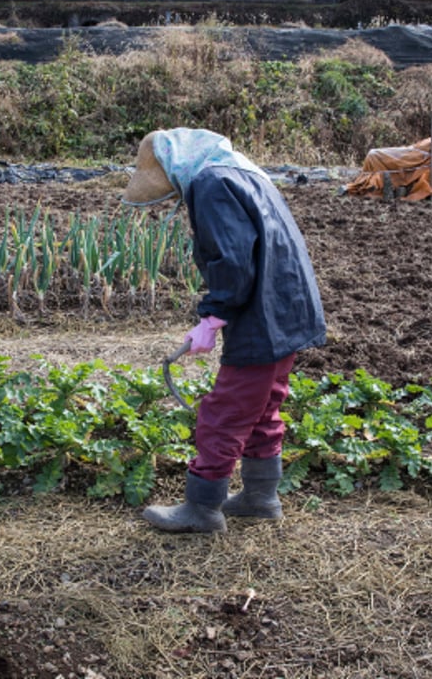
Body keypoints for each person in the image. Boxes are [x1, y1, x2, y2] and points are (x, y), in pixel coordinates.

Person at [121, 128, 326, 534]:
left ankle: (202, 508)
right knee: (264, 406)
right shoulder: (243, 173)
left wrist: (213, 315)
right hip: (287, 306)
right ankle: (260, 497)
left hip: (261, 312)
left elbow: (231, 259)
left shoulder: (210, 184)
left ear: (172, 163)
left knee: (224, 411)